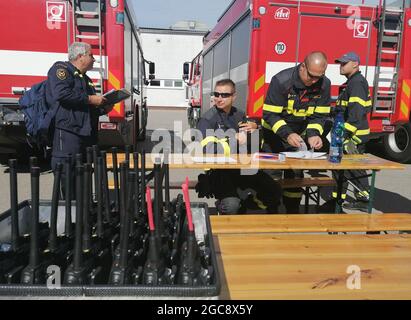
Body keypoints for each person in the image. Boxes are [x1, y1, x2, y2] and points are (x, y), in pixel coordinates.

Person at [195, 79, 281, 214]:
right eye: (216, 94)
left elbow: (252, 145)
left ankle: (250, 206)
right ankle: (224, 207)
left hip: (242, 168)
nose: (219, 98)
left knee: (273, 191)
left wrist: (255, 129)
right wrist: (232, 139)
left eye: (224, 95)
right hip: (219, 172)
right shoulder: (207, 119)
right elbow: (207, 151)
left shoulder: (239, 114)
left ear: (234, 96)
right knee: (232, 205)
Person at [261, 51, 331, 213]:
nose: (314, 81)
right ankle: (271, 214)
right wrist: (287, 133)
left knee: (295, 177)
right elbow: (270, 115)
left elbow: (320, 115)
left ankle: (292, 213)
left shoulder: (324, 84)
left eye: (318, 77)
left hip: (298, 139)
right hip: (275, 136)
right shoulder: (281, 81)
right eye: (311, 76)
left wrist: (313, 134)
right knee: (272, 177)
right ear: (302, 66)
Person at [45, 42, 113, 196]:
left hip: (85, 136)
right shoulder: (61, 70)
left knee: (83, 178)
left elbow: (86, 108)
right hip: (69, 134)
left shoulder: (85, 79)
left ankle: (84, 214)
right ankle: (71, 216)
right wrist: (91, 99)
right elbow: (61, 94)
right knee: (68, 176)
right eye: (91, 55)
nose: (94, 59)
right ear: (80, 56)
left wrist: (103, 108)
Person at [334, 51, 371, 212]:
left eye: (344, 63)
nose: (340, 66)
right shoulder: (353, 82)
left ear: (355, 64)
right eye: (340, 63)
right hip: (350, 134)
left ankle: (364, 199)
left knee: (354, 168)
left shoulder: (356, 83)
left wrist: (345, 135)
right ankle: (338, 201)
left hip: (353, 136)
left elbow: (356, 113)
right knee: (344, 169)